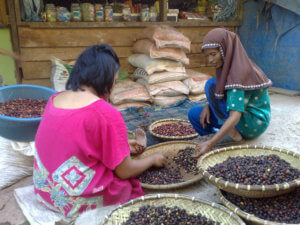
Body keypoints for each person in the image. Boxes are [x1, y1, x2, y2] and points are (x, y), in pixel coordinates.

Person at [33, 44, 167, 218]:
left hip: (45, 192)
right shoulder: (106, 113)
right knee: (126, 185)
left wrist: (122, 145)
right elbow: (125, 171)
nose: (113, 86)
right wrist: (152, 159)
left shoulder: (55, 98)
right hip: (74, 203)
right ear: (105, 79)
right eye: (114, 80)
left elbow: (74, 142)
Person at [188, 28, 272, 158]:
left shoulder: (238, 73)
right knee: (194, 114)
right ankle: (218, 136)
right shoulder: (233, 65)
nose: (210, 60)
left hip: (251, 123)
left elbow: (235, 116)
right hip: (244, 118)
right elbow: (223, 93)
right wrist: (209, 105)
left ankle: (233, 136)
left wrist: (210, 143)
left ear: (225, 50)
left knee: (210, 84)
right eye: (207, 56)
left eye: (213, 54)